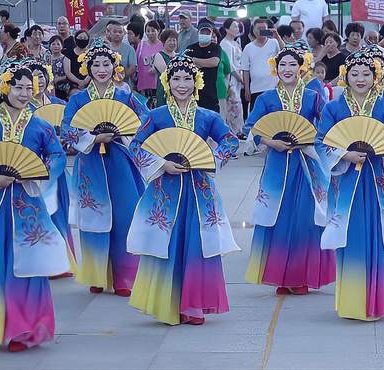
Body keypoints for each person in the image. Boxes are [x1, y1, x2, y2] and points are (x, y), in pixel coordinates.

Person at [127, 53, 239, 325]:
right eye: (175, 78)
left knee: (197, 243)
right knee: (166, 242)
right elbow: (135, 145)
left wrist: (211, 160)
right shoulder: (155, 116)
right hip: (165, 190)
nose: (181, 84)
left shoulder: (208, 116)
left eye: (187, 78)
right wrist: (161, 163)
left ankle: (194, 304)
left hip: (198, 189)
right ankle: (166, 303)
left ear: (196, 81)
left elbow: (230, 141)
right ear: (167, 82)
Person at [316, 50, 384, 320]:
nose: (360, 78)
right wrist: (344, 154)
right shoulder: (333, 108)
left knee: (378, 236)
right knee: (351, 236)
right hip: (346, 181)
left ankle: (376, 300)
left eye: (366, 73)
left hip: (378, 181)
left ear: (376, 76)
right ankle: (351, 301)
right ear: (345, 76)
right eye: (354, 73)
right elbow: (321, 140)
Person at [0, 58, 68, 352]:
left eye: (27, 88)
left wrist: (37, 174)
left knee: (28, 266)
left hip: (27, 203)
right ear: (5, 87)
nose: (22, 92)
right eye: (17, 86)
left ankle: (23, 328)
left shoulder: (41, 127)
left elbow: (57, 157)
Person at [243, 44, 334, 295]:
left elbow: (326, 126)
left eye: (292, 64)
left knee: (305, 218)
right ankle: (280, 276)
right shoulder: (266, 98)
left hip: (306, 164)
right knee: (278, 217)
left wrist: (311, 139)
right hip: (277, 164)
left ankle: (302, 275)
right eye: (282, 64)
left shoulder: (313, 96)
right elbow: (250, 128)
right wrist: (272, 142)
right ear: (275, 68)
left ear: (301, 67)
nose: (287, 69)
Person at [61, 40, 148, 296]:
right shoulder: (78, 99)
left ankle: (125, 277)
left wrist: (123, 134)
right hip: (91, 164)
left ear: (114, 66)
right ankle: (96, 274)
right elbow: (67, 129)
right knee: (94, 219)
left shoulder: (125, 96)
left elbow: (144, 121)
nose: (101, 69)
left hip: (120, 161)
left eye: (106, 64)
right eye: (95, 64)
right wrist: (92, 138)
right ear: (87, 68)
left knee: (125, 216)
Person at [26, 58, 75, 278]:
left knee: (57, 213)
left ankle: (60, 261)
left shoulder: (57, 103)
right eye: (34, 77)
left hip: (54, 166)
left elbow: (70, 130)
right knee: (38, 212)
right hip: (29, 169)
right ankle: (40, 260)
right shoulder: (22, 107)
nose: (39, 80)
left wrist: (65, 139)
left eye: (42, 75)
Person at [241, 18, 280, 112]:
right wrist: (247, 89)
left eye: (264, 28)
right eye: (258, 28)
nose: (261, 31)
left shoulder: (274, 42)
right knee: (257, 115)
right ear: (253, 30)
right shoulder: (248, 48)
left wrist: (277, 37)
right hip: (255, 88)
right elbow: (245, 70)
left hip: (273, 87)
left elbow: (284, 52)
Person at [187, 19, 222, 112]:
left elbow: (214, 62)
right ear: (198, 33)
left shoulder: (216, 47)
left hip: (210, 94)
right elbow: (187, 64)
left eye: (207, 33)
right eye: (203, 32)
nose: (205, 34)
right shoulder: (190, 48)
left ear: (211, 34)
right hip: (192, 93)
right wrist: (204, 62)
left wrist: (195, 60)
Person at [220, 18, 245, 138]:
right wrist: (240, 77)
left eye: (237, 26)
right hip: (231, 78)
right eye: (234, 26)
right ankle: (233, 131)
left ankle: (238, 129)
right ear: (227, 29)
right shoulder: (224, 43)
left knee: (237, 104)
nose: (237, 29)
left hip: (238, 77)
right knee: (233, 104)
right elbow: (229, 64)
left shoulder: (236, 43)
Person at [136, 20, 163, 108]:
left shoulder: (162, 45)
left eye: (153, 30)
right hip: (143, 83)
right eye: (148, 31)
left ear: (158, 31)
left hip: (158, 84)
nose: (150, 33)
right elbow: (136, 61)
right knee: (144, 108)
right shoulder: (141, 45)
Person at [153, 29, 177, 107]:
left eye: (174, 40)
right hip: (164, 91)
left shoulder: (178, 55)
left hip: (178, 91)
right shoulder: (159, 55)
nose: (172, 43)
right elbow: (167, 73)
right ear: (163, 42)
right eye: (169, 40)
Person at [213, 28, 232, 121]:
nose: (212, 38)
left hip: (220, 90)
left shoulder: (222, 52)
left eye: (214, 36)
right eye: (210, 36)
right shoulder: (199, 52)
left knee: (221, 118)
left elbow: (228, 72)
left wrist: (226, 84)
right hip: (203, 93)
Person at [63, 30, 90, 96]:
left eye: (85, 38)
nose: (82, 39)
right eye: (80, 38)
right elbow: (67, 72)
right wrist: (79, 82)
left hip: (89, 82)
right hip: (73, 84)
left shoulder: (91, 53)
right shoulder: (69, 53)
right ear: (75, 40)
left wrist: (85, 81)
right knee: (77, 95)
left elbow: (93, 69)